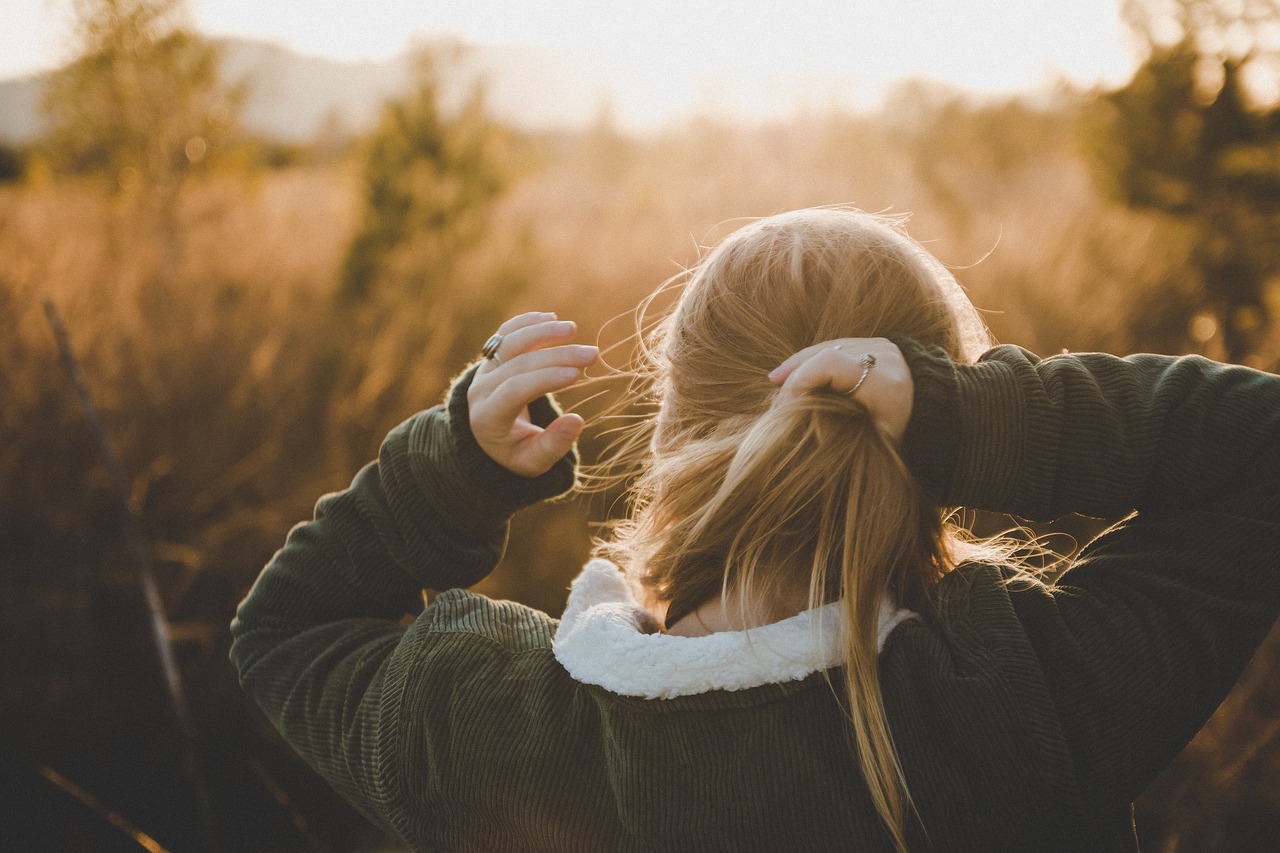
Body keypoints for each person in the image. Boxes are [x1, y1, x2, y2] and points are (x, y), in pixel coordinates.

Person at [231, 208, 1280, 852]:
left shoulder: (500, 726)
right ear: (919, 434)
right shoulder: (1031, 699)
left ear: (676, 428)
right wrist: (970, 417)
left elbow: (286, 628)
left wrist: (449, 473)